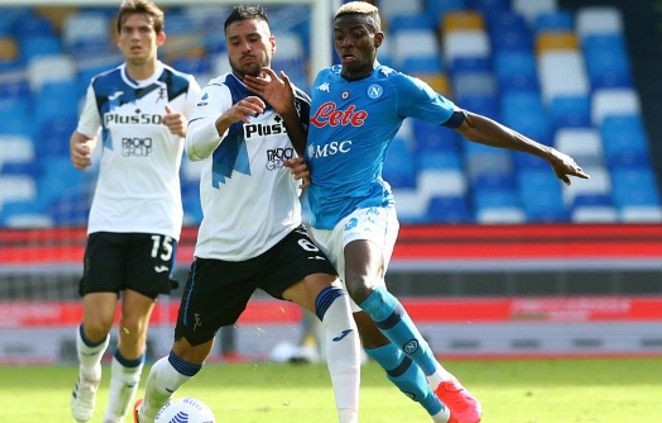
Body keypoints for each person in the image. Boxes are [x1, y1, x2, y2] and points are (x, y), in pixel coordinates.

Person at [245, 2, 590, 423]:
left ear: (378, 39)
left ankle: (441, 376)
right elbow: (312, 150)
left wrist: (545, 151)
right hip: (320, 220)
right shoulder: (323, 80)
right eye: (340, 36)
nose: (347, 43)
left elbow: (467, 122)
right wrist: (286, 115)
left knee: (362, 285)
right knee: (371, 333)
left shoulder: (397, 88)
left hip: (366, 208)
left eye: (356, 35)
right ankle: (442, 413)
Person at [133, 5, 361, 423]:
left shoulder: (298, 102)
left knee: (336, 303)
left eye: (253, 39)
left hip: (282, 238)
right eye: (236, 42)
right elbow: (196, 147)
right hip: (224, 251)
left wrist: (307, 167)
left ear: (272, 43)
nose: (245, 48)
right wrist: (225, 120)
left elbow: (323, 161)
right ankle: (146, 412)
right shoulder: (219, 93)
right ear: (228, 50)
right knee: (186, 358)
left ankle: (349, 419)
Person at [68, 1, 201, 422]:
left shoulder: (183, 87)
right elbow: (83, 137)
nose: (137, 37)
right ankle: (88, 374)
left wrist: (186, 130)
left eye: (145, 30)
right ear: (118, 37)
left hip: (158, 217)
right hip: (108, 215)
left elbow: (204, 143)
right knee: (98, 320)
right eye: (129, 30)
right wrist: (81, 149)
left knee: (132, 324)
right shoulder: (102, 86)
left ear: (159, 37)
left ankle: (112, 417)